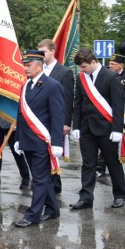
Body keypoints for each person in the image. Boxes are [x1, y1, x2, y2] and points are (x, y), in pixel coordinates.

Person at [69, 48, 125, 209]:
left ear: (94, 62)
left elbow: (118, 105)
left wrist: (117, 128)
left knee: (112, 162)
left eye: (84, 67)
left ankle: (120, 194)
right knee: (88, 164)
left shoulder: (111, 77)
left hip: (106, 129)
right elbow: (78, 103)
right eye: (81, 68)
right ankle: (86, 198)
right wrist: (77, 125)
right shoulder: (82, 78)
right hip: (87, 129)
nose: (82, 70)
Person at [12, 50, 65, 227]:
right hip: (27, 139)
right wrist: (18, 139)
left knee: (40, 179)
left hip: (43, 141)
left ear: (40, 65)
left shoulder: (53, 85)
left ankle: (32, 215)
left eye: (29, 65)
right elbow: (21, 114)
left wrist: (57, 143)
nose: (25, 68)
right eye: (24, 65)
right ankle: (52, 209)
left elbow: (58, 116)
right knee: (40, 176)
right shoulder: (25, 85)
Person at [37, 39, 75, 194]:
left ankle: (53, 186)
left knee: (52, 153)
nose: (41, 55)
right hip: (39, 120)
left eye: (43, 52)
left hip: (55, 120)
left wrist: (66, 123)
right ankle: (48, 183)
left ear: (52, 51)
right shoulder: (38, 69)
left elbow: (67, 99)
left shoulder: (64, 72)